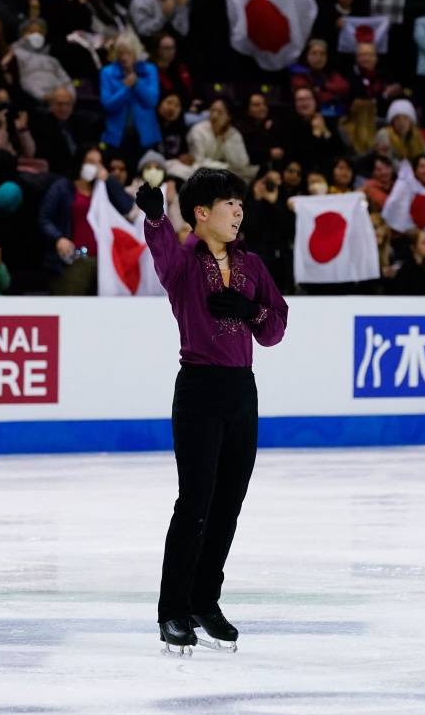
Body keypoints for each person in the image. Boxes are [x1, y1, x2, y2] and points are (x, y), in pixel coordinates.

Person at [135, 167, 288, 655]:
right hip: (199, 390)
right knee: (194, 503)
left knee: (228, 505)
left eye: (241, 204)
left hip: (243, 392)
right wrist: (157, 219)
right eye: (229, 204)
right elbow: (161, 260)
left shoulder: (253, 265)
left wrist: (250, 311)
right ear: (202, 213)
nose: (239, 211)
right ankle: (173, 612)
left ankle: (205, 601)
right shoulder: (182, 263)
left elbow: (276, 326)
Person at [39, 144, 135, 295]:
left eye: (98, 163)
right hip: (73, 260)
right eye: (90, 161)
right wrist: (58, 239)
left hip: (104, 263)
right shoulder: (62, 188)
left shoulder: (103, 190)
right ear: (80, 162)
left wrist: (108, 180)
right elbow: (45, 219)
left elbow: (127, 206)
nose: (94, 166)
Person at [99, 30, 161, 161]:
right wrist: (126, 88)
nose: (124, 57)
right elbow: (108, 105)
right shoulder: (107, 73)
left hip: (145, 136)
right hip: (117, 137)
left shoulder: (149, 70)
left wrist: (137, 83)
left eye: (128, 53)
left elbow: (151, 101)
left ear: (136, 52)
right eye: (121, 53)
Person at [32, 84, 101, 175]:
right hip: (58, 172)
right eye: (59, 104)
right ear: (51, 106)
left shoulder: (81, 123)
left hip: (84, 169)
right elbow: (50, 158)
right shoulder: (41, 127)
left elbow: (89, 147)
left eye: (67, 104)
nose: (64, 108)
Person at [11, 17, 72, 102]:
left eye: (40, 32)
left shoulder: (52, 60)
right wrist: (43, 96)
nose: (37, 35)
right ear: (22, 33)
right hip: (33, 100)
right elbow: (23, 81)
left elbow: (66, 80)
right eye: (32, 31)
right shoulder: (15, 54)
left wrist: (70, 97)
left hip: (60, 101)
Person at [289, 39, 350, 118]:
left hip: (335, 113)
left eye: (322, 54)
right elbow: (314, 97)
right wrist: (334, 94)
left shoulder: (329, 72)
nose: (318, 57)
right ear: (306, 55)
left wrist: (324, 87)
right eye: (314, 53)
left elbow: (344, 86)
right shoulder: (298, 75)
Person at [365, 99, 425, 168]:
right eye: (397, 119)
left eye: (405, 119)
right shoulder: (385, 134)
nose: (401, 123)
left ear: (411, 122)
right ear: (392, 122)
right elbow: (389, 161)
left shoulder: (416, 134)